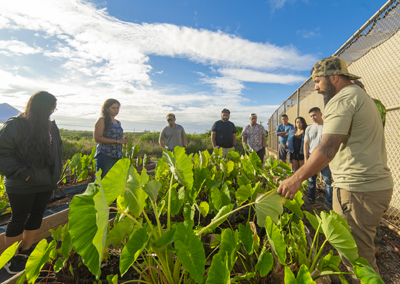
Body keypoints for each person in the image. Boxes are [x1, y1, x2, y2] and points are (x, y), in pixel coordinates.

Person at [277, 56, 393, 282]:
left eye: (318, 81)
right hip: (370, 188)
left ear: (334, 77)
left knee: (357, 261)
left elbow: (328, 146)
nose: (316, 87)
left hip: (357, 190)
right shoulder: (362, 97)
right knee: (360, 257)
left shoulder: (343, 99)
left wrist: (296, 178)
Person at [0, 91, 63, 274]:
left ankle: (25, 251)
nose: (53, 110)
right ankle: (11, 258)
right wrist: (24, 174)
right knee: (19, 218)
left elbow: (57, 153)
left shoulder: (50, 127)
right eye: (51, 106)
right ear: (41, 107)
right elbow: (3, 152)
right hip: (21, 182)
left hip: (45, 181)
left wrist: (55, 177)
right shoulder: (15, 125)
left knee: (36, 215)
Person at [303, 107, 333, 205]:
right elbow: (306, 144)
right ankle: (312, 199)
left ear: (320, 114)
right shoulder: (309, 128)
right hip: (312, 155)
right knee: (311, 179)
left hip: (324, 155)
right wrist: (306, 158)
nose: (313, 118)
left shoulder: (327, 127)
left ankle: (329, 201)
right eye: (311, 116)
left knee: (327, 180)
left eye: (315, 115)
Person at [94, 99, 129, 179]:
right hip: (105, 155)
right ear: (107, 109)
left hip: (117, 155)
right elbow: (97, 138)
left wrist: (124, 140)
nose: (116, 110)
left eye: (117, 108)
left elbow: (117, 138)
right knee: (102, 182)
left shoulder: (118, 122)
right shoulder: (102, 120)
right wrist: (117, 141)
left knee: (113, 182)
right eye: (113, 108)